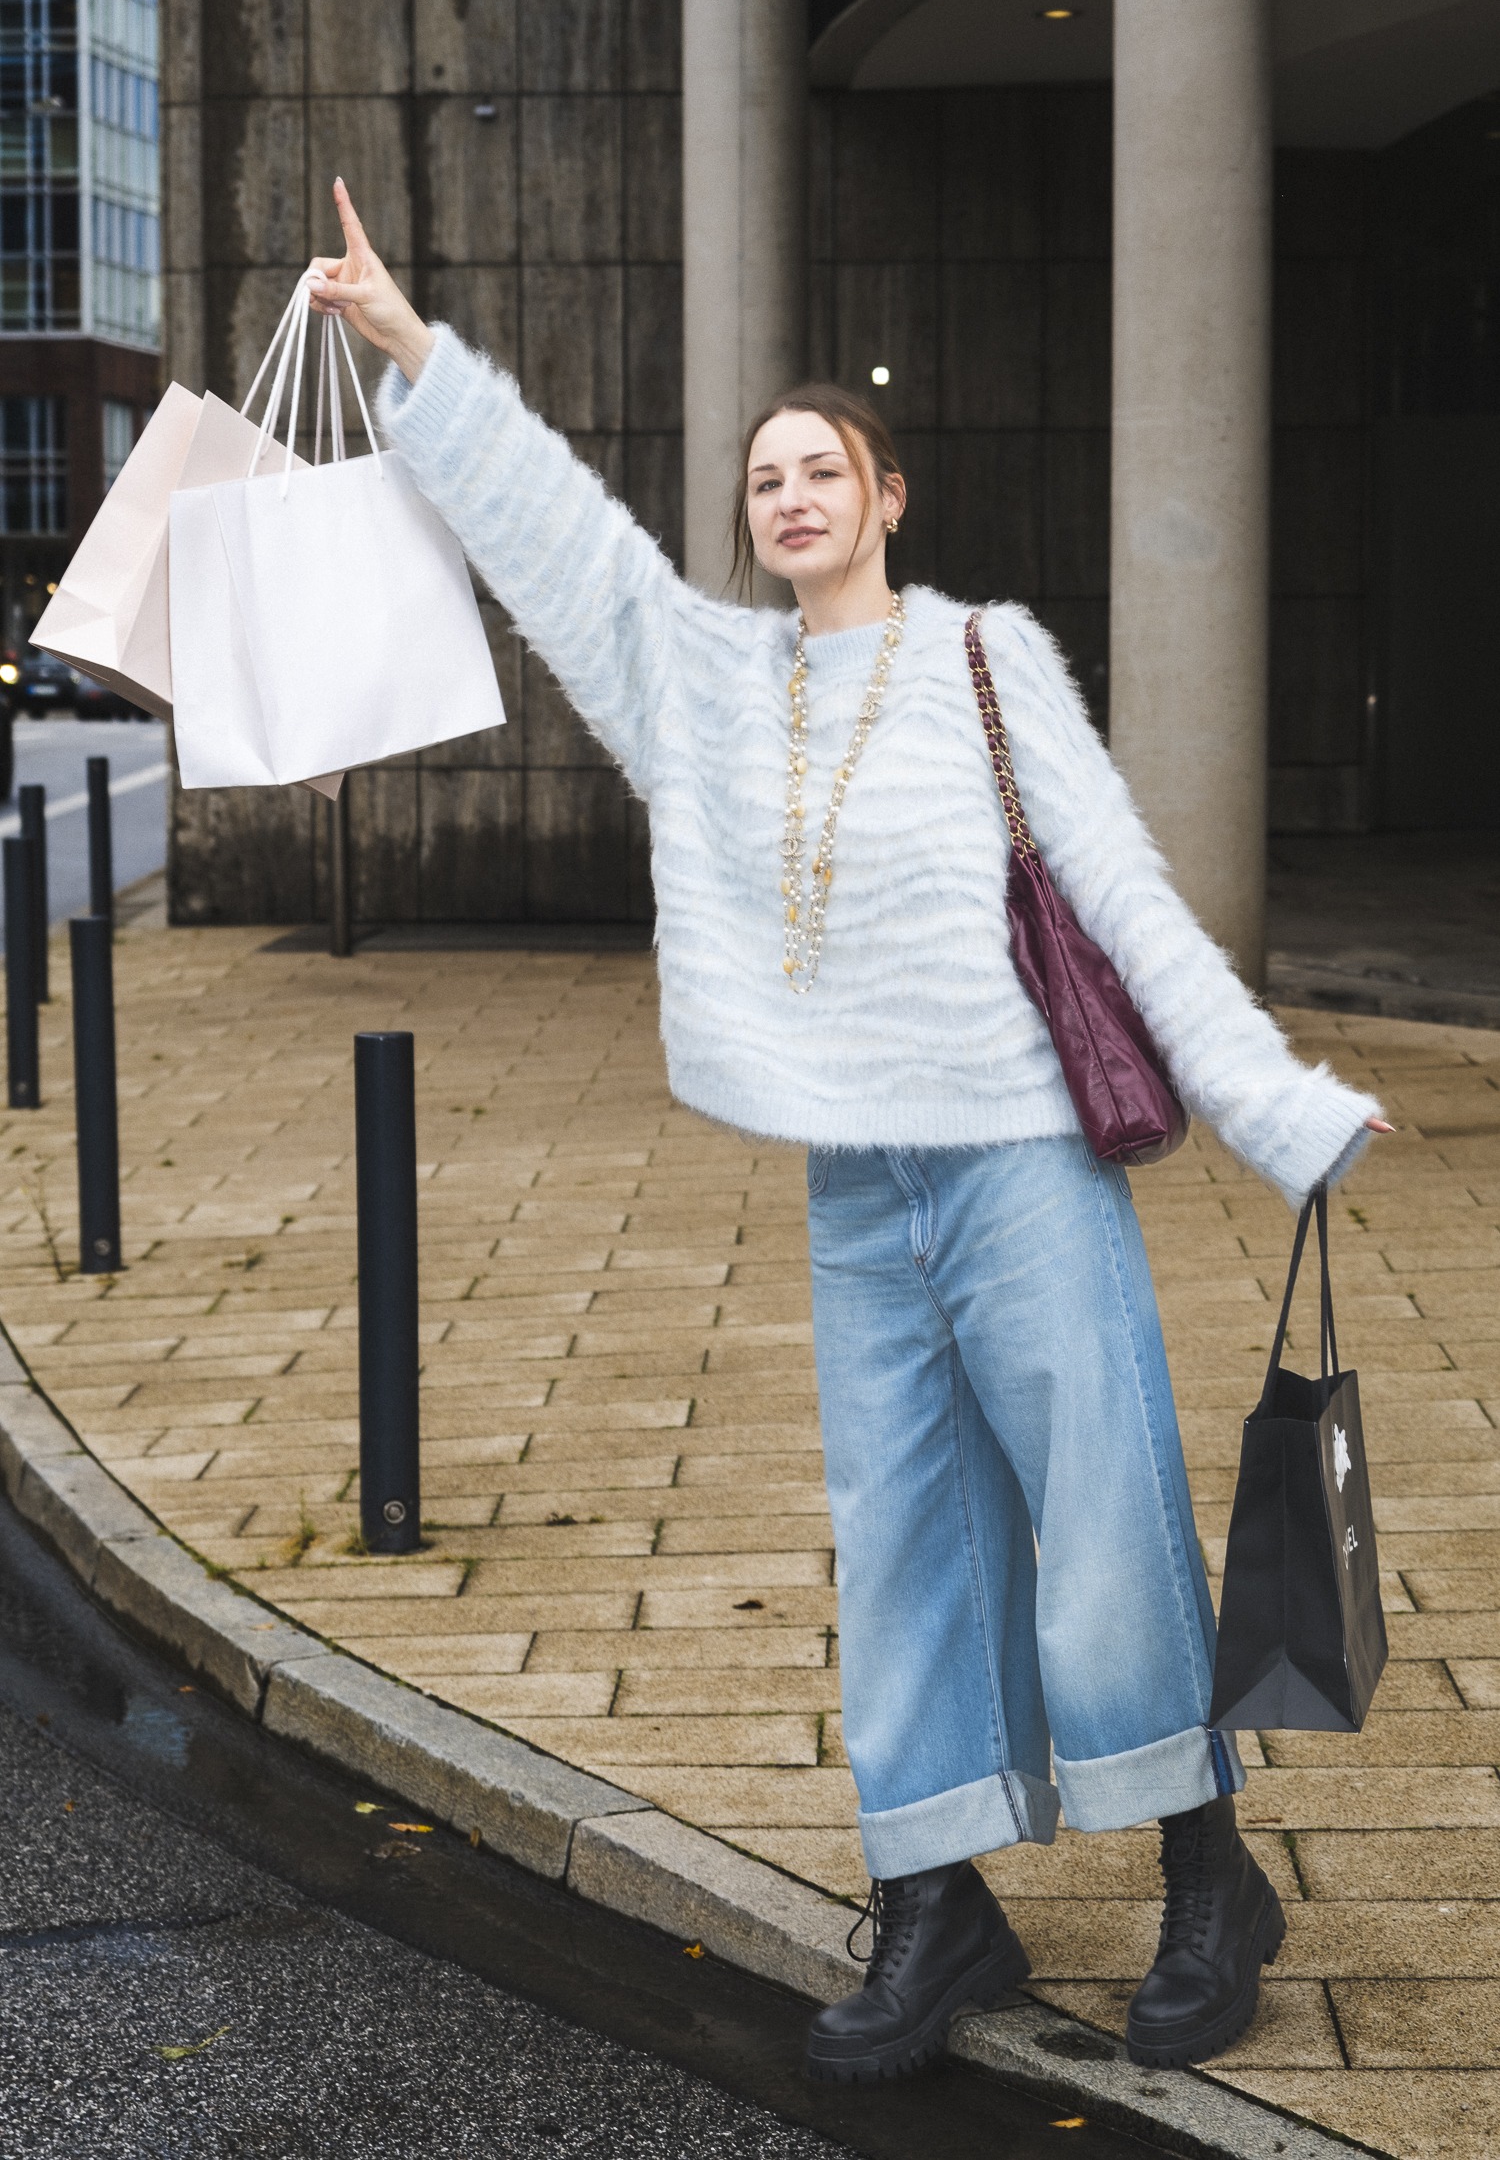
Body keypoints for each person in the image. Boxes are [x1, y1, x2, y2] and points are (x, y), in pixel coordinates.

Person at [310, 180, 1392, 2085]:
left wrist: (1274, 1100)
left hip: (1019, 1161)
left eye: (825, 468)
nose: (789, 496)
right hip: (855, 1179)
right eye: (764, 479)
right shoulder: (709, 687)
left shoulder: (989, 661)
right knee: (904, 1537)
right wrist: (415, 350)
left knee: (1104, 1522)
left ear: (889, 496)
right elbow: (566, 543)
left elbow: (1128, 899)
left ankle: (1208, 1870)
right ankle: (939, 1892)